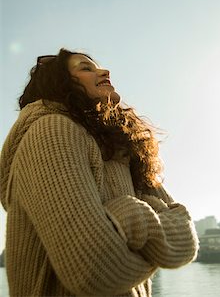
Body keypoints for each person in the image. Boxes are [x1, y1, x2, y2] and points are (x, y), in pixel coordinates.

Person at [0, 48, 199, 297]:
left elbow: (184, 244)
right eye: (86, 68)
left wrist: (118, 225)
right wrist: (137, 215)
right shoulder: (52, 130)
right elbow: (94, 272)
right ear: (59, 83)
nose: (104, 71)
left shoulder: (122, 149)